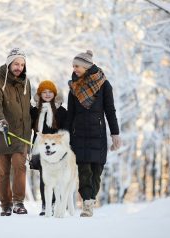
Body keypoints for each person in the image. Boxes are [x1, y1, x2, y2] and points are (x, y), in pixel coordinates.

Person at [65, 50, 121, 217]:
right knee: (84, 171)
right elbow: (70, 114)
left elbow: (110, 110)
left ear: (86, 66)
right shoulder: (74, 87)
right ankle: (87, 204)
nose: (74, 69)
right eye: (73, 66)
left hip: (98, 134)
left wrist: (115, 133)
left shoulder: (104, 85)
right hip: (79, 134)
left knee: (97, 170)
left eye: (77, 66)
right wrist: (65, 136)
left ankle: (91, 199)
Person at [0, 48, 32, 216]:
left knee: (20, 166)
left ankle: (18, 202)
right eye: (16, 63)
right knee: (3, 171)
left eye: (22, 64)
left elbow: (27, 109)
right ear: (9, 63)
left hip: (20, 135)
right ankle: (5, 204)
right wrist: (0, 120)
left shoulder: (26, 82)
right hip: (1, 133)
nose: (19, 67)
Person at [30, 80, 67, 216]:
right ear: (39, 94)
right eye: (44, 92)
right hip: (40, 148)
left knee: (56, 177)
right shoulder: (35, 111)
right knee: (44, 176)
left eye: (50, 92)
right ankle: (45, 205)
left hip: (56, 149)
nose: (47, 94)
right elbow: (27, 125)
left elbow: (65, 131)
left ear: (55, 94)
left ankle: (55, 203)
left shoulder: (61, 111)